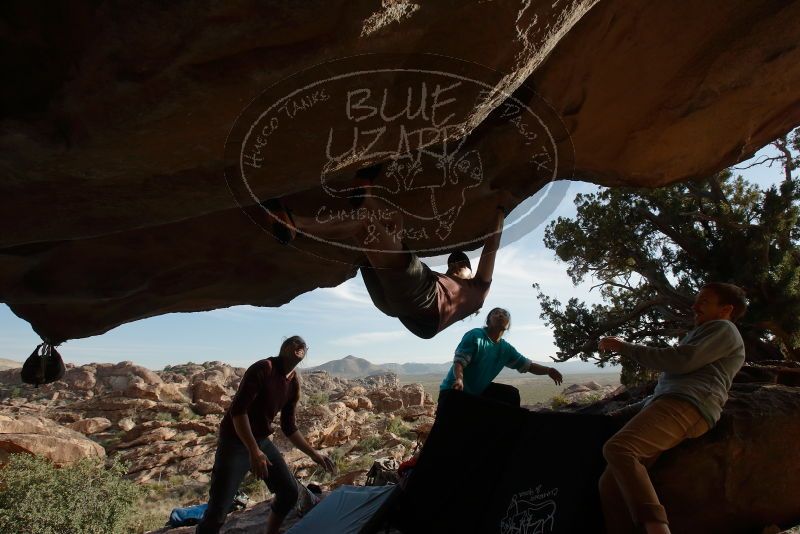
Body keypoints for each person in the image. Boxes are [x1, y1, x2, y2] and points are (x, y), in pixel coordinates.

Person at [262, 163, 512, 339]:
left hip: (420, 294)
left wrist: (500, 208)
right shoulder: (454, 288)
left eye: (462, 263)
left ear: (472, 273)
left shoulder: (479, 291)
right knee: (394, 222)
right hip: (397, 303)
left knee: (363, 224)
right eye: (453, 263)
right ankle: (363, 193)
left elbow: (492, 246)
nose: (456, 263)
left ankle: (295, 223)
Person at [597, 283, 747, 534]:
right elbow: (670, 380)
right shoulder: (705, 332)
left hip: (689, 404)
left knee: (619, 449)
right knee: (610, 483)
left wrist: (624, 347)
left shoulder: (724, 329)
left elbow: (679, 361)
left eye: (704, 301)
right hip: (674, 402)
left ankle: (658, 530)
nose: (694, 305)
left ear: (726, 309)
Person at [196, 336, 335, 534]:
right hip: (235, 441)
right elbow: (238, 412)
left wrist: (314, 454)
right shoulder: (264, 368)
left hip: (261, 441)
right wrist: (253, 451)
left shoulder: (293, 382)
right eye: (295, 343)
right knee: (218, 510)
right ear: (285, 348)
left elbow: (289, 427)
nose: (300, 346)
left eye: (304, 345)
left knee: (289, 492)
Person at [439, 307, 563, 407]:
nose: (500, 315)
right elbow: (459, 362)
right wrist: (459, 379)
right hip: (453, 391)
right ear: (488, 322)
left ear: (508, 325)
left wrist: (548, 370)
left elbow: (528, 366)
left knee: (510, 394)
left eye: (504, 314)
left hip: (476, 394)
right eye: (496, 313)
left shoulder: (506, 349)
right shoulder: (476, 336)